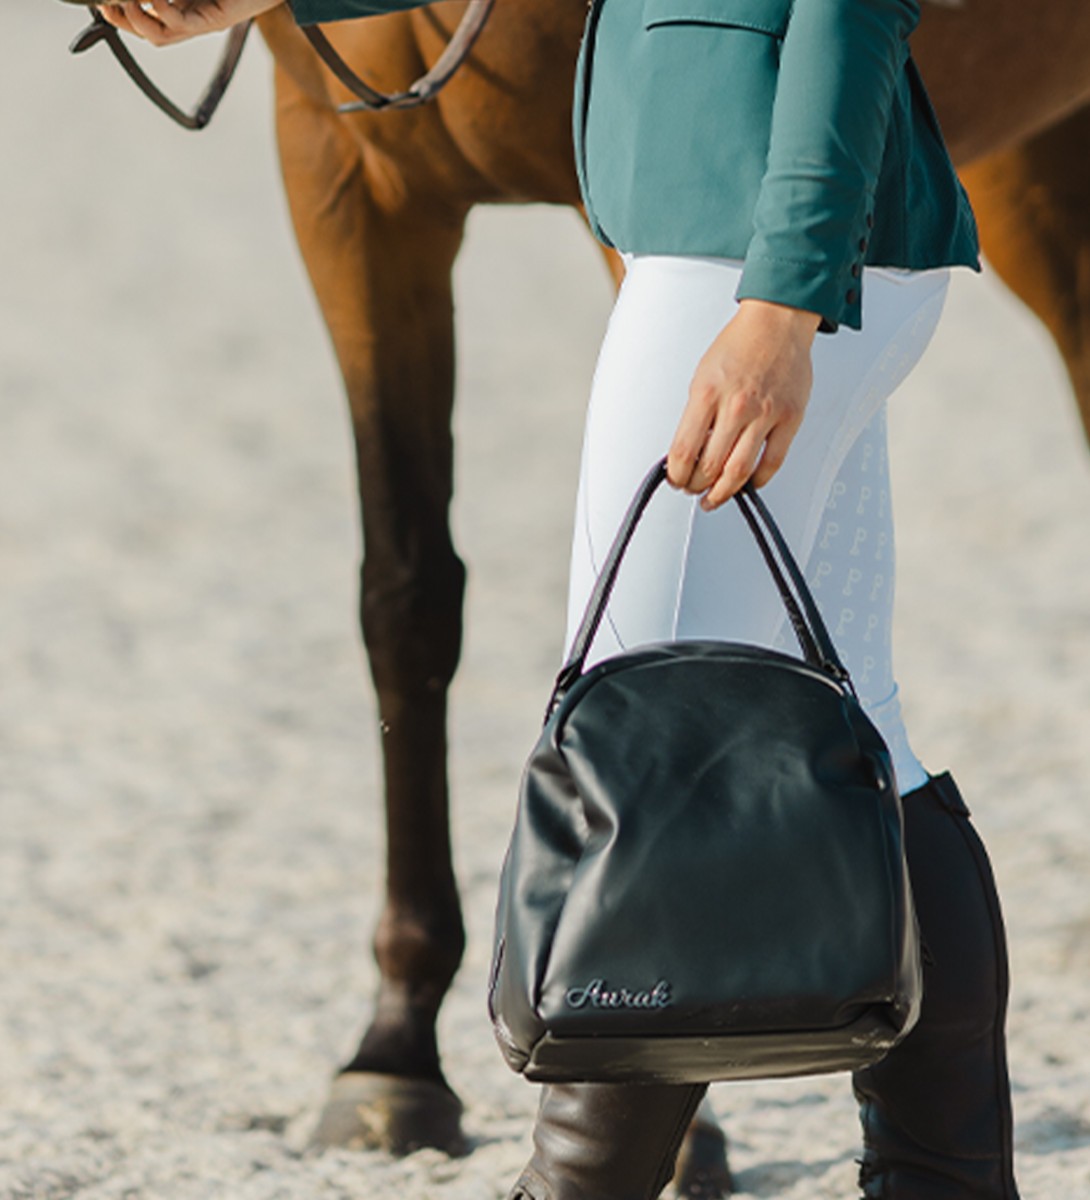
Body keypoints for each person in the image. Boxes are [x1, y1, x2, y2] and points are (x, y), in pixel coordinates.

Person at [103, 1, 1021, 1196]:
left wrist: (779, 302)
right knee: (871, 736)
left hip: (741, 255)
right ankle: (945, 1181)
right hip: (732, 234)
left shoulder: (757, 283)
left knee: (641, 752)